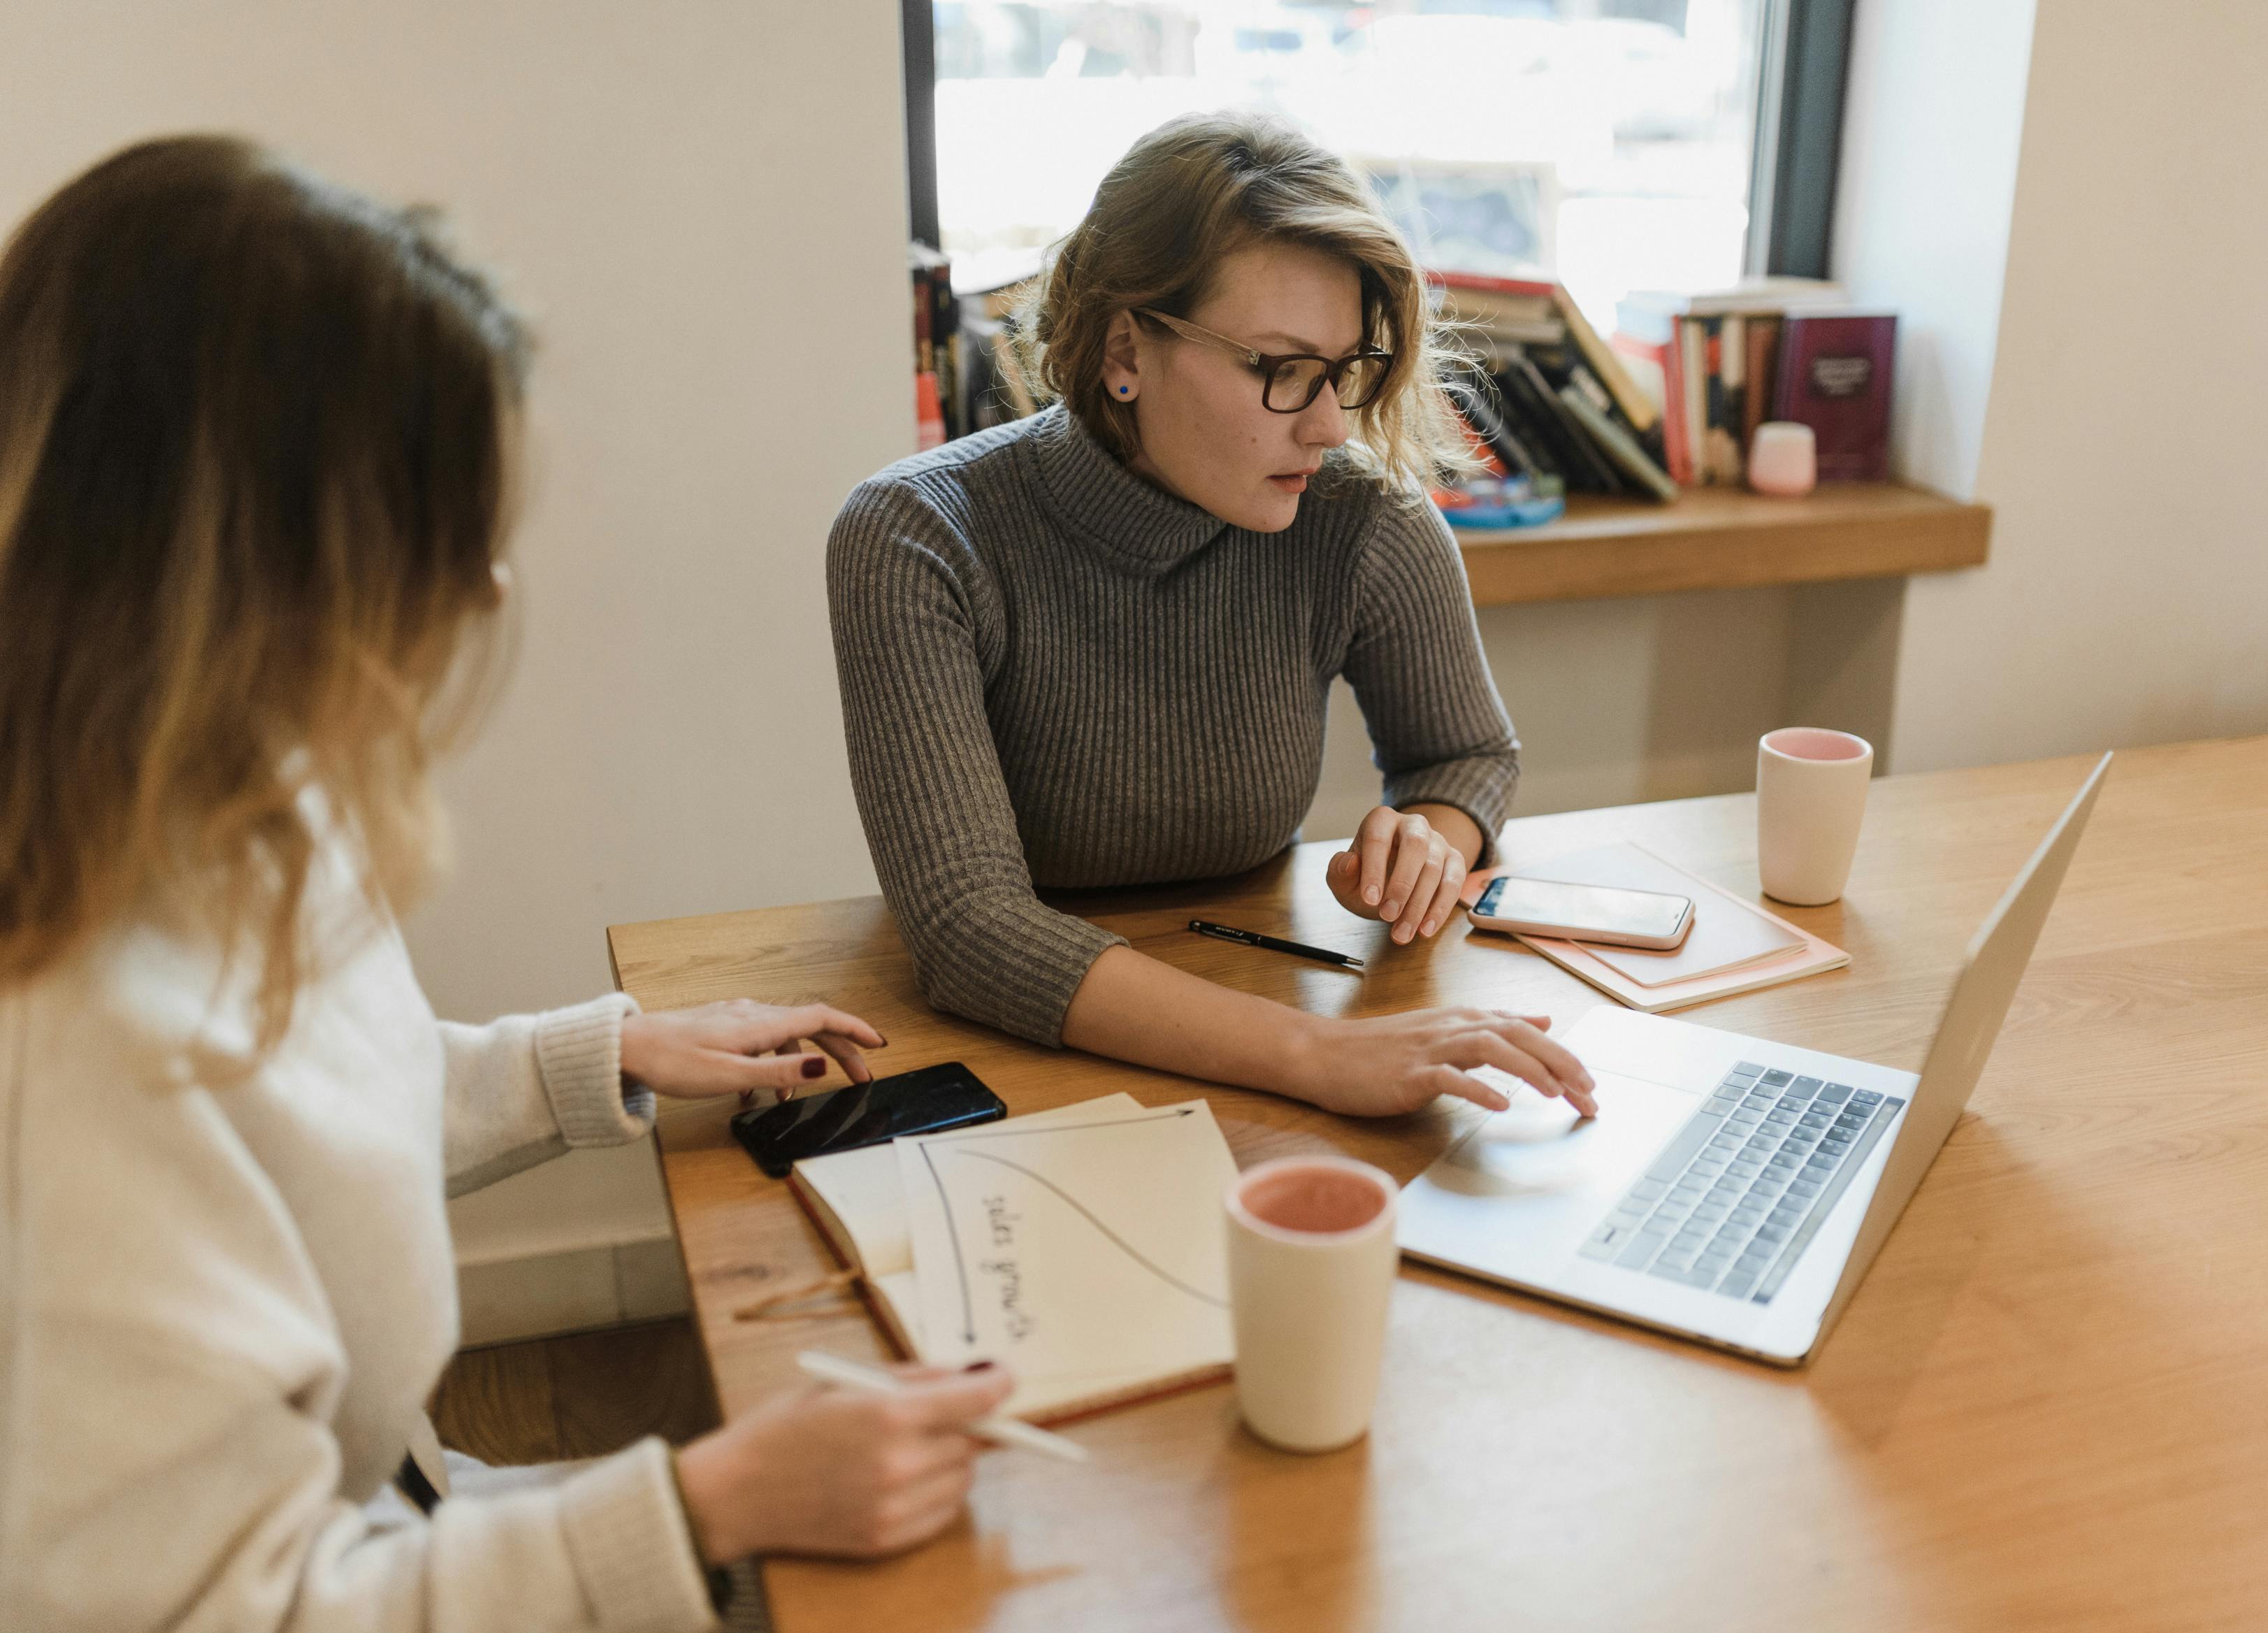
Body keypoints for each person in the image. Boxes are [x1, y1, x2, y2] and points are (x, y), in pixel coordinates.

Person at [0, 136, 1009, 1633]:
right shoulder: (71, 1054)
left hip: (415, 1513)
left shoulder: (247, 800)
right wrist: (703, 1505)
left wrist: (586, 1060)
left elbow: (293, 1126)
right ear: (244, 560)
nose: (483, 589)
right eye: (439, 529)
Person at [830, 113, 1598, 1119]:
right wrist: (1319, 1056)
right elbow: (970, 929)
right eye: (1278, 369)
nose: (1327, 426)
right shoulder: (915, 536)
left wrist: (1430, 841)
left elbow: (1466, 757)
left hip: (1248, 1002)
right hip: (1021, 1063)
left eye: (1343, 371)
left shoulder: (1360, 517)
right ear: (1124, 349)